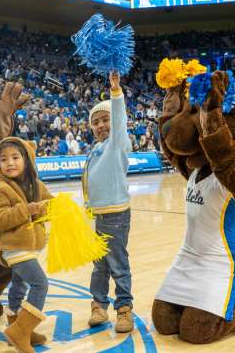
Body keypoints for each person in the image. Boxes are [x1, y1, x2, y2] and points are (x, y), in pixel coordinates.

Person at [0, 138, 53, 352]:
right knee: (40, 284)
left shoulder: (38, 186)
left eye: (15, 157)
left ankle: (15, 327)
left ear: (27, 160)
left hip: (31, 248)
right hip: (14, 248)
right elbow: (0, 219)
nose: (10, 163)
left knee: (18, 287)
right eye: (3, 159)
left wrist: (53, 207)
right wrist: (27, 210)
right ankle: (20, 332)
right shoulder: (1, 189)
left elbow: (50, 207)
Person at [83, 71, 134, 333]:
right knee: (99, 266)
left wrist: (115, 92)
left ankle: (124, 309)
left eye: (105, 120)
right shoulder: (97, 148)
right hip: (101, 215)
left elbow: (118, 118)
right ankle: (99, 306)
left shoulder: (116, 143)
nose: (101, 125)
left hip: (116, 215)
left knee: (117, 264)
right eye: (96, 122)